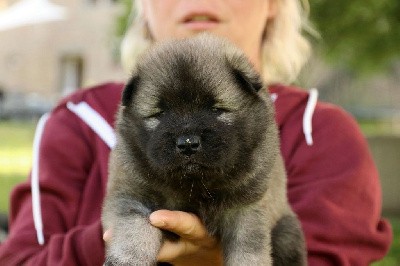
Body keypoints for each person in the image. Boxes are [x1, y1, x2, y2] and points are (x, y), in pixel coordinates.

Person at [0, 0, 393, 265]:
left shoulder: (322, 132)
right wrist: (123, 239)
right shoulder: (77, 119)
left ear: (275, 4)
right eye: (160, 114)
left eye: (218, 111)